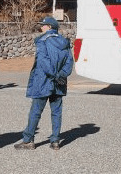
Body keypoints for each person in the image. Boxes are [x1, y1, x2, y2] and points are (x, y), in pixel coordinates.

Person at [15, 16, 73, 151]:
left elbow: (43, 62)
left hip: (44, 81)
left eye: (43, 25)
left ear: (50, 27)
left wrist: (53, 75)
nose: (41, 27)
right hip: (60, 82)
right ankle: (55, 141)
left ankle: (28, 140)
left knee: (35, 111)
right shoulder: (64, 42)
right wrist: (60, 75)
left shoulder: (42, 41)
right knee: (56, 112)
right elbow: (69, 63)